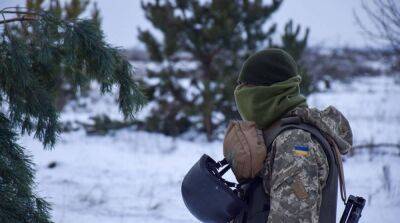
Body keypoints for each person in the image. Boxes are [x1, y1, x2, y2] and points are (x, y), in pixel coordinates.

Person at [232, 48, 353, 223]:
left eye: (246, 88)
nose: (239, 94)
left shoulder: (294, 142)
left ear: (267, 91)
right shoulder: (277, 131)